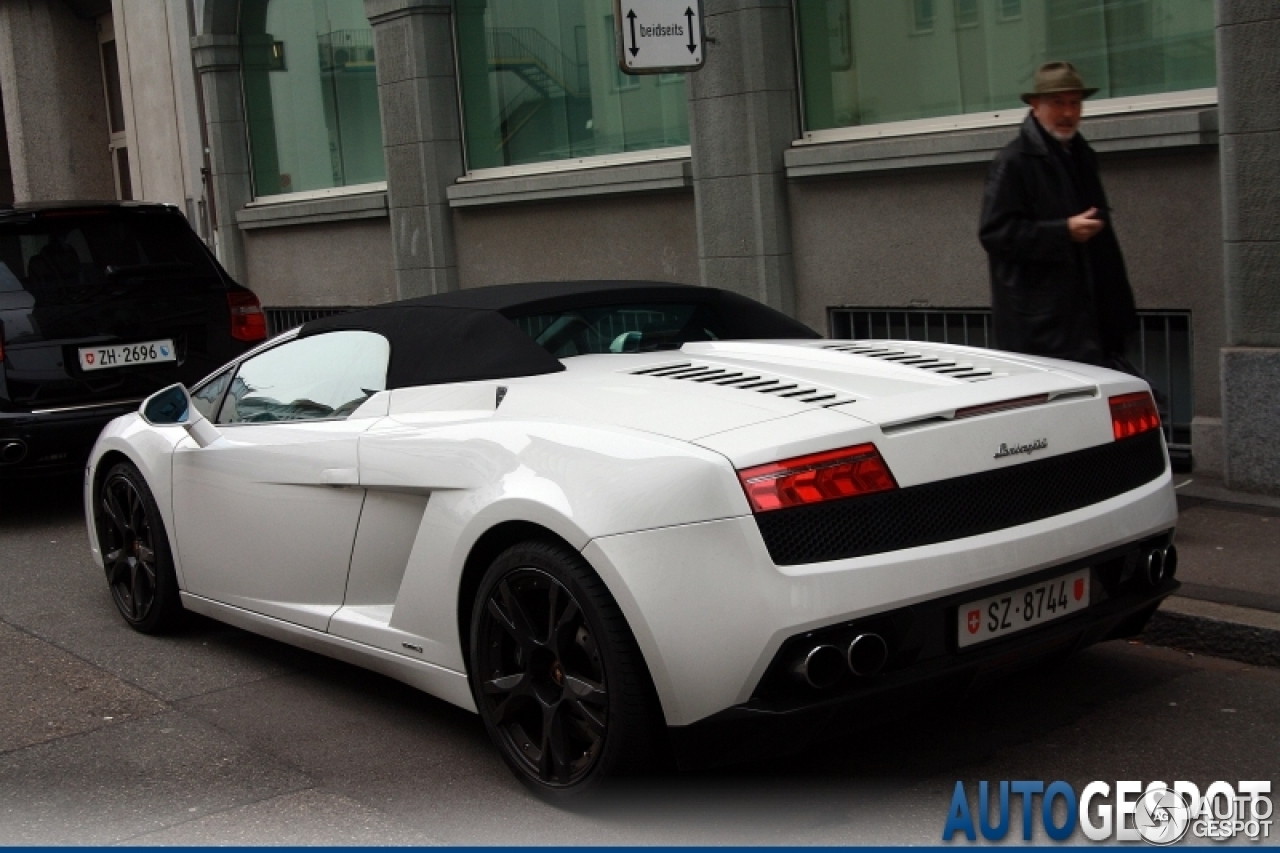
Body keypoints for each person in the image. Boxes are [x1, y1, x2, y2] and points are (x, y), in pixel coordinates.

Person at [979, 61, 1138, 369]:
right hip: (1043, 328)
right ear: (1035, 106)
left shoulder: (1080, 154)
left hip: (1088, 317)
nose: (1068, 113)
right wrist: (1063, 231)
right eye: (1058, 103)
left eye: (1075, 103)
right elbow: (995, 234)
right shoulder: (1013, 162)